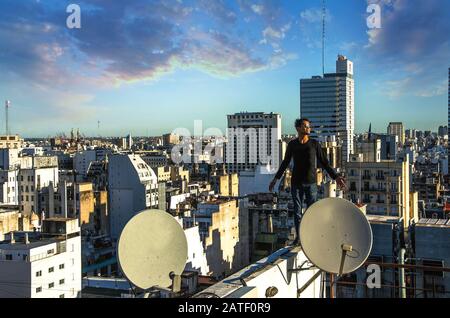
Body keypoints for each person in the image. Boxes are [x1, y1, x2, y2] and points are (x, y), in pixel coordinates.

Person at [269, 118, 346, 245]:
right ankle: (299, 238)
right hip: (296, 183)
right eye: (305, 126)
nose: (308, 128)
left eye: (309, 126)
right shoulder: (292, 145)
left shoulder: (314, 144)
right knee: (297, 212)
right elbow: (285, 163)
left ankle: (312, 236)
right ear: (298, 128)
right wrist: (275, 179)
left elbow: (325, 163)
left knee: (312, 212)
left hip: (311, 184)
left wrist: (336, 177)